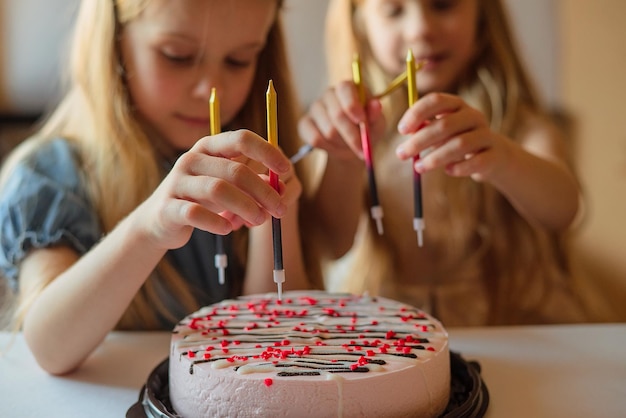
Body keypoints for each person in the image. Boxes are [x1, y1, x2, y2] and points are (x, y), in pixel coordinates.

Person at [0, 0, 317, 375]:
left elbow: (279, 329)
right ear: (114, 40)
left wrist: (273, 208)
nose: (209, 89)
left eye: (238, 60)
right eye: (177, 56)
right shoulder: (49, 176)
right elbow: (49, 347)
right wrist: (150, 228)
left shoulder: (251, 161)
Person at [298, 0, 588, 326]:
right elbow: (328, 245)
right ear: (360, 23)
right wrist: (344, 161)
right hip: (394, 339)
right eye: (394, 11)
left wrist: (502, 158)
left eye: (443, 5)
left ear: (482, 14)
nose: (421, 28)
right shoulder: (352, 131)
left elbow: (565, 210)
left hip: (513, 332)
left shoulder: (519, 126)